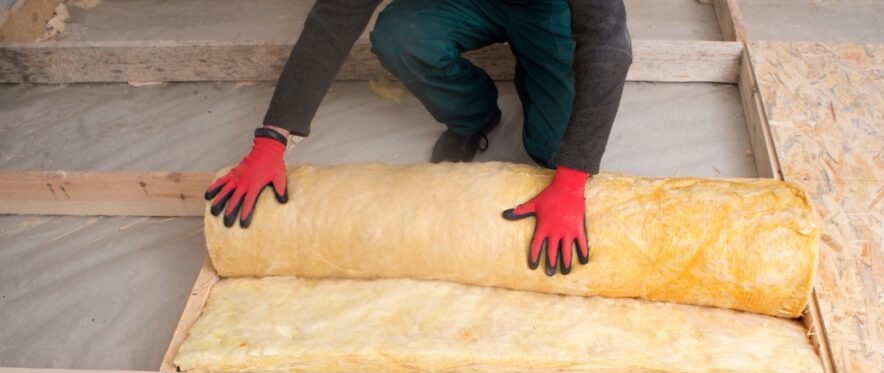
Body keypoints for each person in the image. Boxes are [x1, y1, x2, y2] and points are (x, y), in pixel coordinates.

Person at [205, 0, 631, 275]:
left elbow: (607, 42)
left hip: (550, 9)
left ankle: (539, 71)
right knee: (402, 34)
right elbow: (335, 16)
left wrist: (572, 178)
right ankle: (473, 115)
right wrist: (272, 138)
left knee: (555, 150)